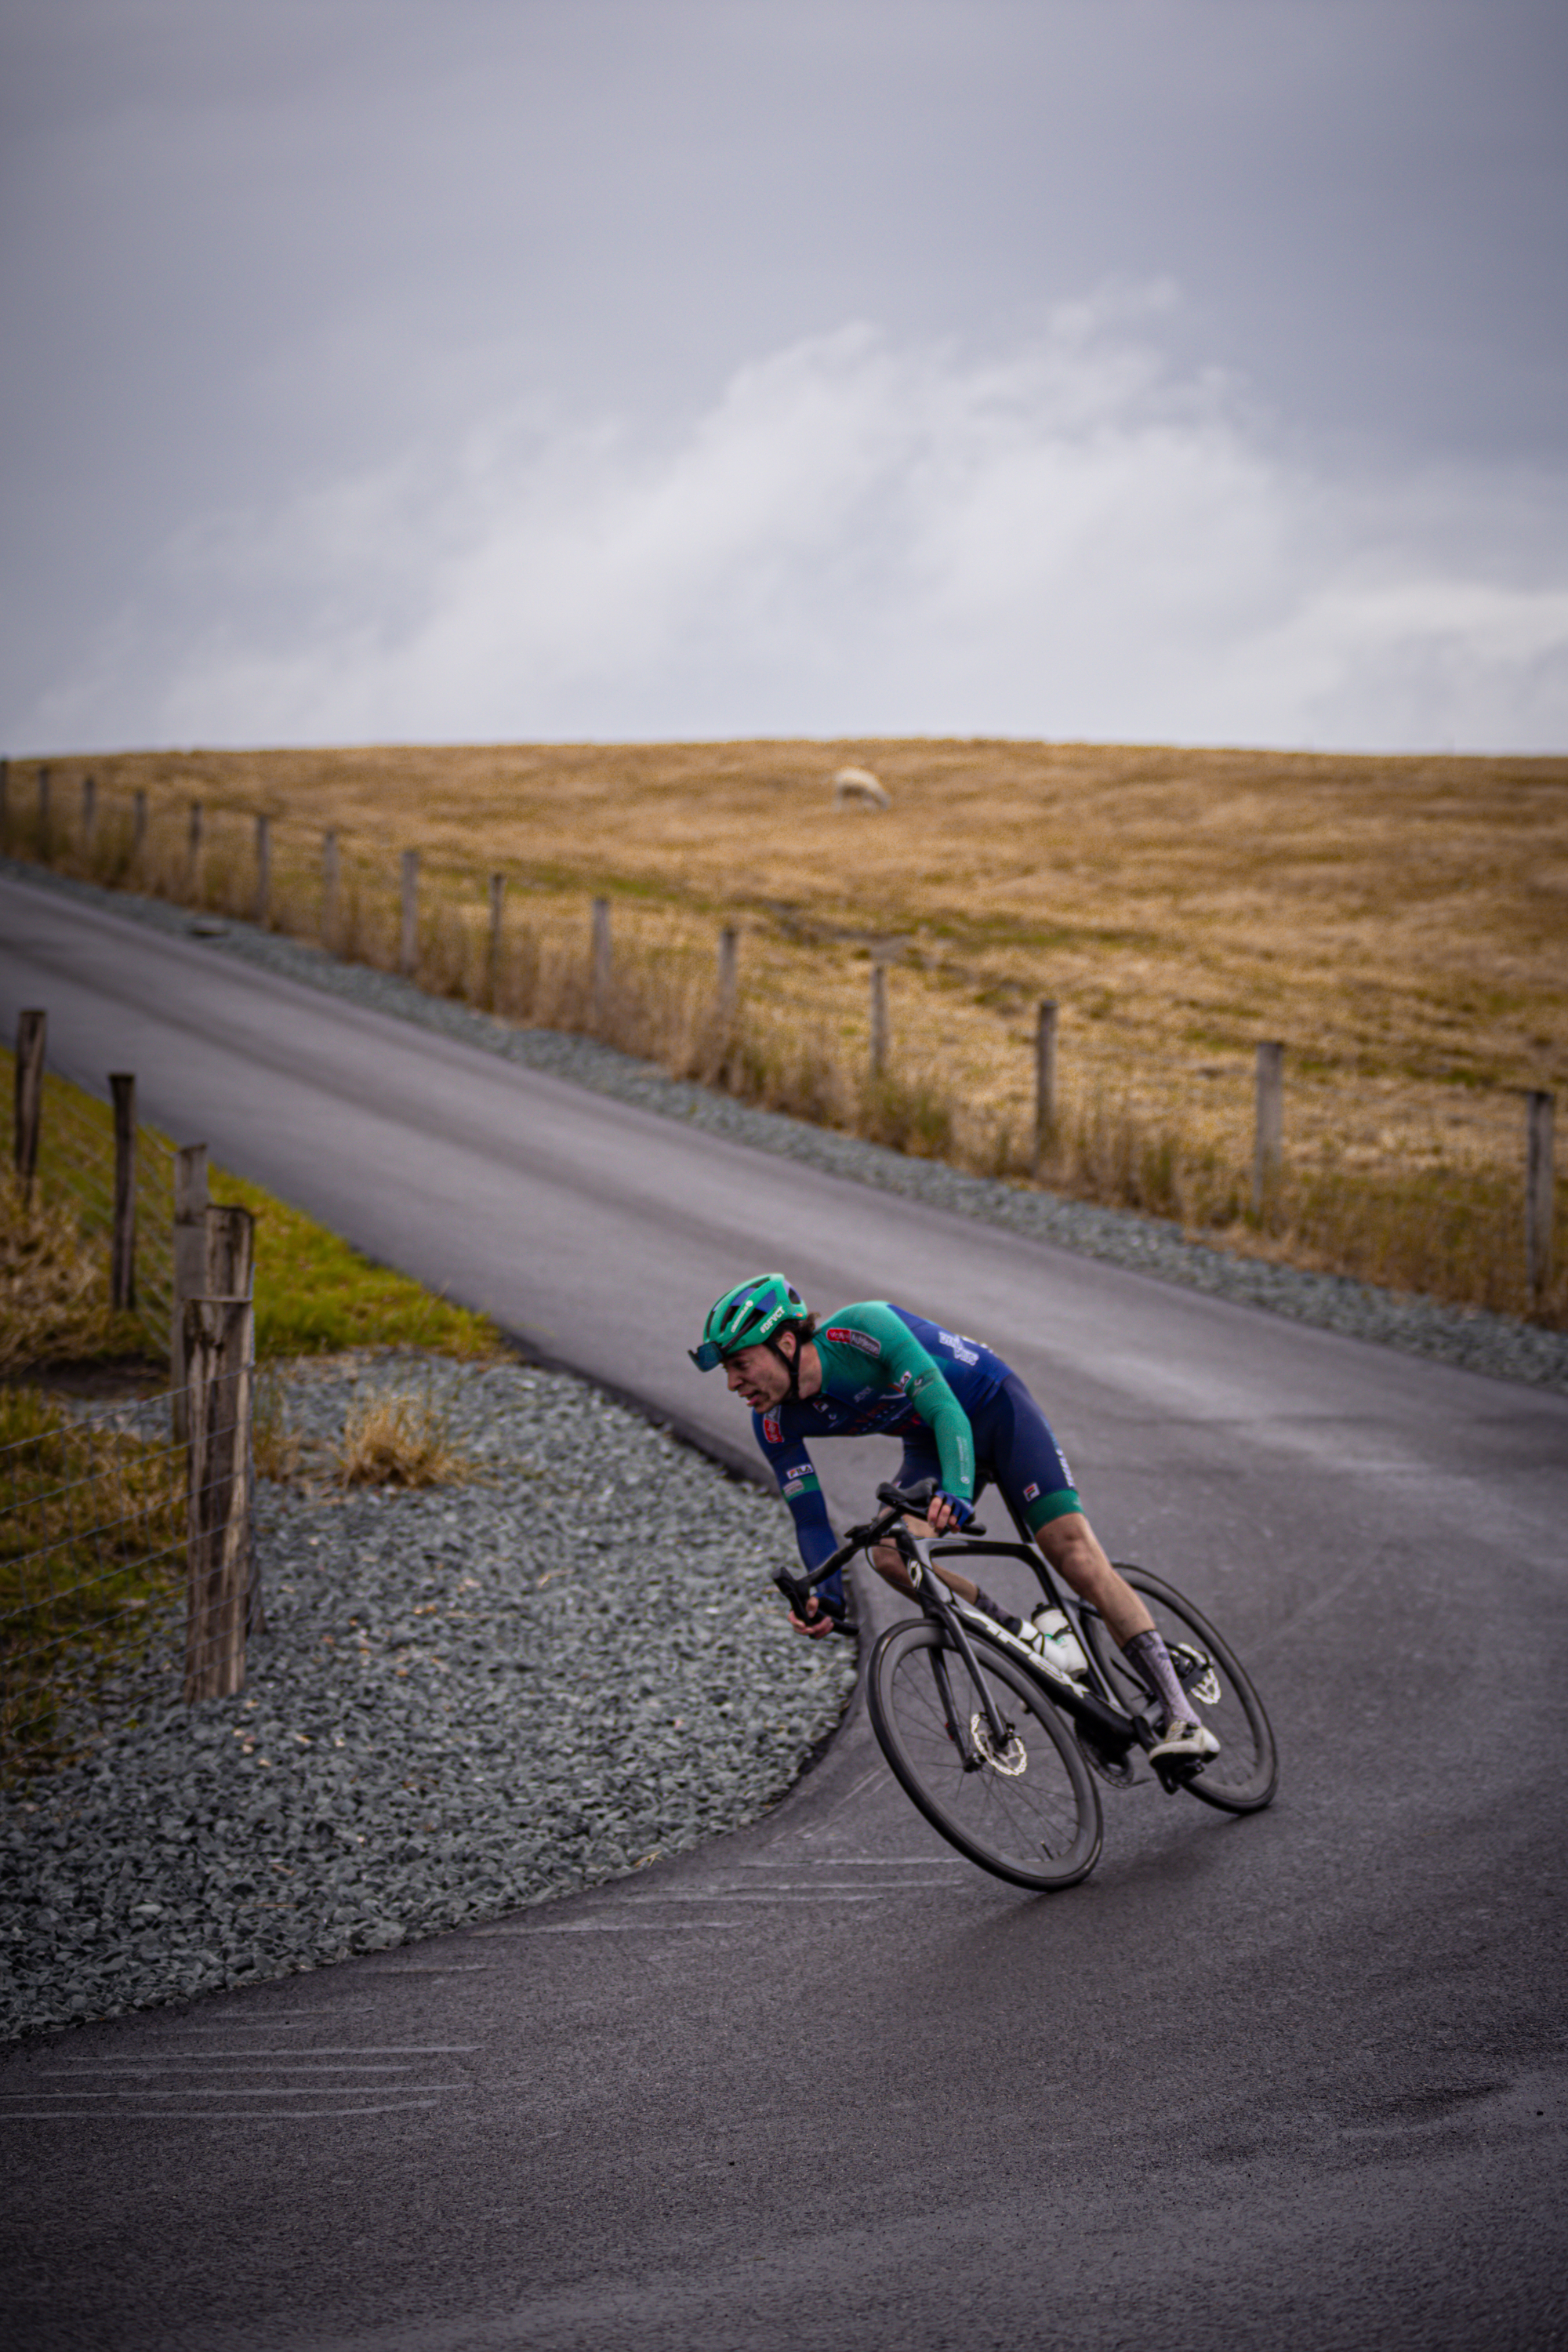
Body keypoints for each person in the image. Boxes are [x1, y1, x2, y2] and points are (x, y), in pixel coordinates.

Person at [690, 1272, 1218, 1766]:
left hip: (992, 1409)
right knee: (891, 1557)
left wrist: (959, 1492)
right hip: (929, 1441)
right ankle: (1029, 1641)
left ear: (784, 1344)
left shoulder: (862, 1329)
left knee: (1071, 1552)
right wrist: (824, 1595)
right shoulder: (774, 1422)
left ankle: (1182, 1717)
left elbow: (945, 1407)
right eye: (727, 1372)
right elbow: (809, 1519)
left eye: (739, 1365)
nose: (734, 1383)